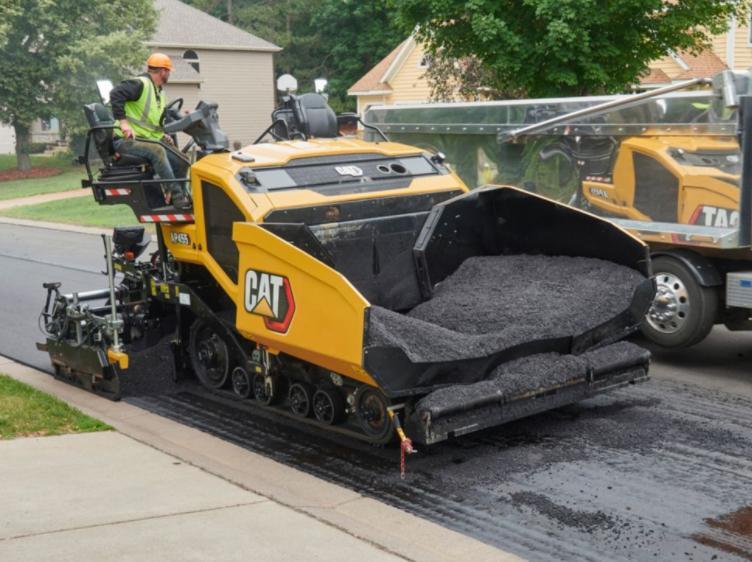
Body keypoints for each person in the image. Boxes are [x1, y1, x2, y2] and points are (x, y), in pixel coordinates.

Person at [110, 53, 192, 210]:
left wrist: (162, 134)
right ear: (162, 71)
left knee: (182, 160)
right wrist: (123, 123)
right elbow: (115, 94)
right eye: (168, 71)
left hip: (147, 139)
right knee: (157, 150)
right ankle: (177, 197)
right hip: (126, 141)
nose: (169, 75)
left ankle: (182, 195)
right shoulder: (140, 84)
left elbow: (151, 120)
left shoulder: (158, 91)